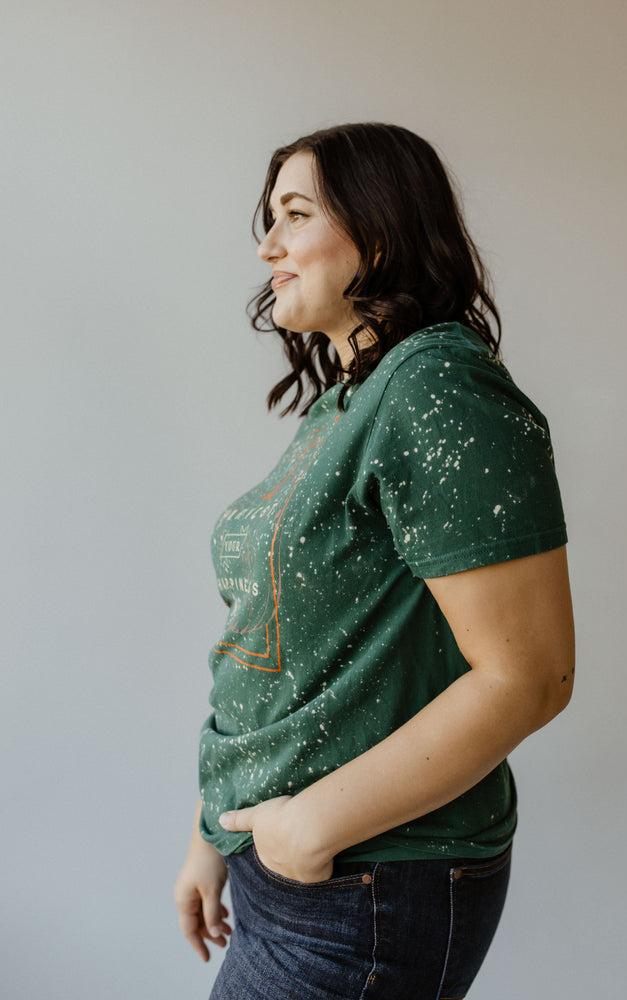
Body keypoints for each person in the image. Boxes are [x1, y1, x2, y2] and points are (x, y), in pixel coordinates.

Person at [174, 123, 575, 1000]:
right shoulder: (353, 399)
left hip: (364, 885)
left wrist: (307, 828)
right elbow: (286, 649)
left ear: (381, 230)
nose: (266, 244)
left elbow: (529, 675)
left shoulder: (438, 388)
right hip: (294, 870)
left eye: (294, 213)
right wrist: (216, 834)